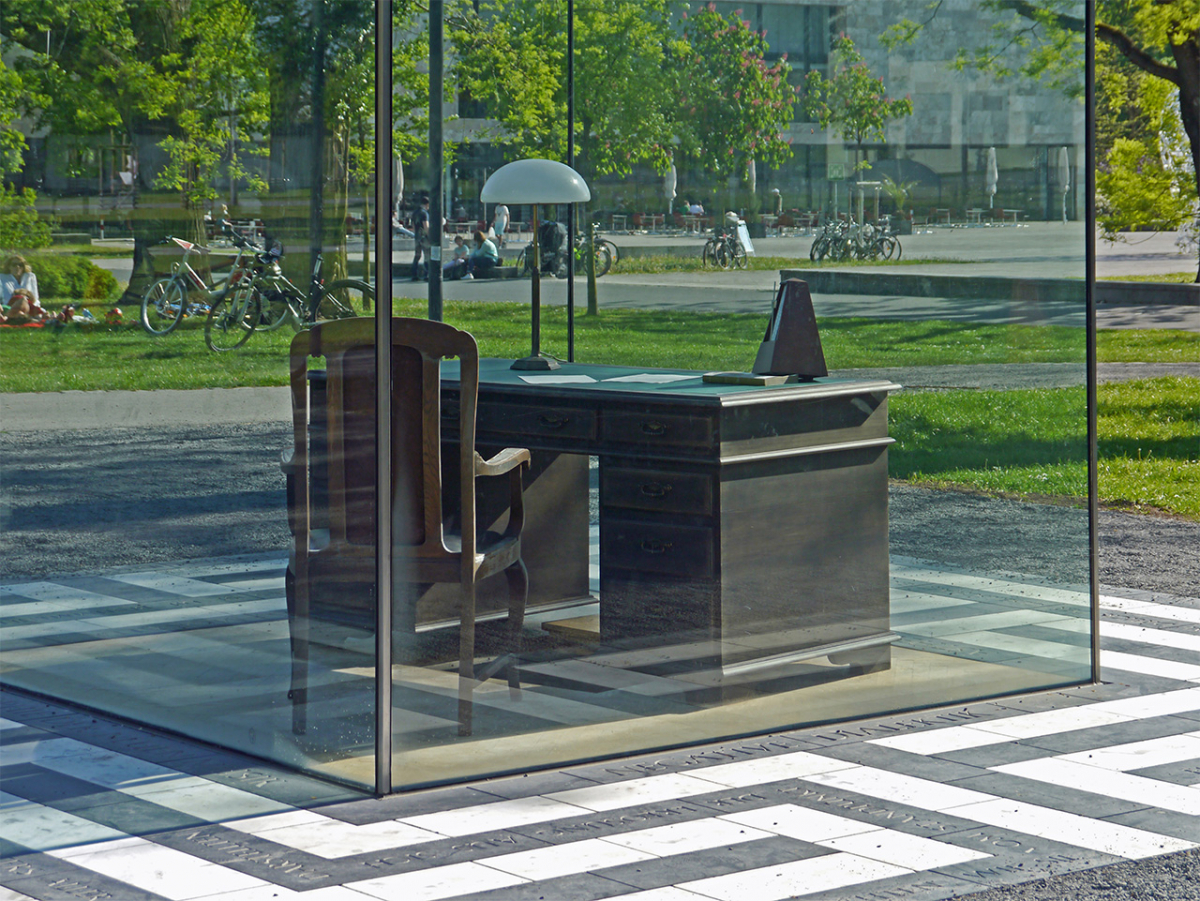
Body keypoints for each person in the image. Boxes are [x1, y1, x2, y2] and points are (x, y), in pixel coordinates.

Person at [411, 197, 430, 280]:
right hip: (424, 237)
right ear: (427, 204)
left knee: (417, 256)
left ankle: (414, 274)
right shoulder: (424, 213)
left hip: (417, 237)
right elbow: (426, 226)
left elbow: (413, 226)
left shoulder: (415, 213)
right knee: (427, 256)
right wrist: (429, 236)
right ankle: (427, 275)